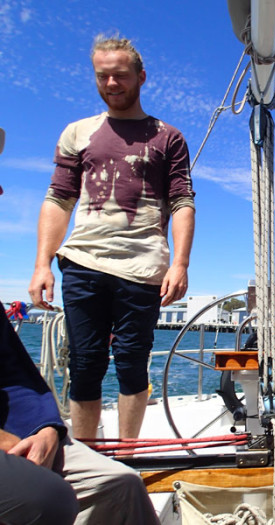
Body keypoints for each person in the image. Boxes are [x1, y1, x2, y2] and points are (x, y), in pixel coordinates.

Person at [28, 35, 196, 441]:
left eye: (120, 75)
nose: (111, 84)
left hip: (143, 267)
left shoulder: (166, 137)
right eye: (102, 76)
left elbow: (182, 201)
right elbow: (59, 199)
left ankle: (128, 456)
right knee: (85, 364)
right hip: (83, 263)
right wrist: (41, 264)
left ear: (140, 77)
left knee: (132, 363)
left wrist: (180, 263)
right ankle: (87, 456)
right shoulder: (77, 132)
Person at [0, 303, 160, 525]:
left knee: (123, 482)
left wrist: (46, 428)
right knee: (51, 499)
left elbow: (15, 375)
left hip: (20, 429)